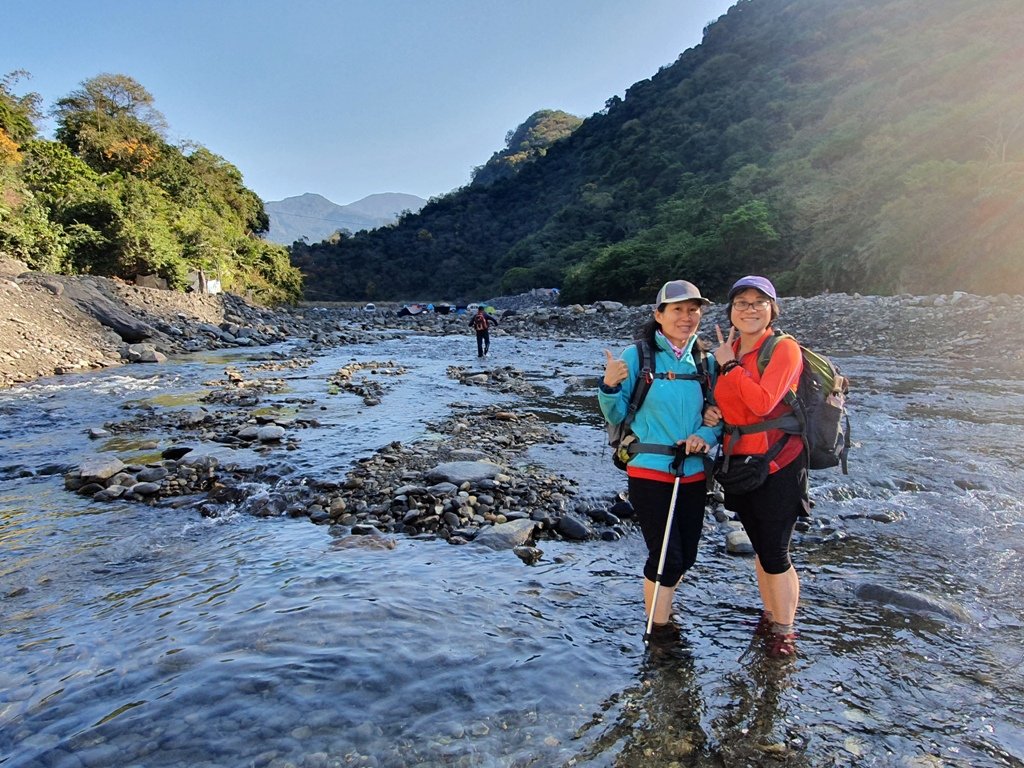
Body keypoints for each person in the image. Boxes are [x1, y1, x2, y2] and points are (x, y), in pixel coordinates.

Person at [598, 280, 720, 641]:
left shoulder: (707, 360)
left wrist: (706, 436)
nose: (687, 317)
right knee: (666, 556)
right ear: (658, 315)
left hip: (694, 471)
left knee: (686, 558)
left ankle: (661, 606)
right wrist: (607, 386)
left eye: (693, 309)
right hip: (649, 471)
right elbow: (617, 411)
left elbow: (719, 416)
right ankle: (658, 629)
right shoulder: (638, 356)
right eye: (678, 309)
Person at [710, 275, 810, 658]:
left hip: (778, 461)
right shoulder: (729, 348)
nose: (749, 309)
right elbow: (729, 403)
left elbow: (764, 403)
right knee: (759, 547)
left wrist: (731, 365)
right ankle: (769, 616)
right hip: (740, 462)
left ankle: (784, 633)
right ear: (731, 311)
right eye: (741, 303)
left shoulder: (783, 348)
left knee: (775, 552)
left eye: (758, 302)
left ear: (772, 309)